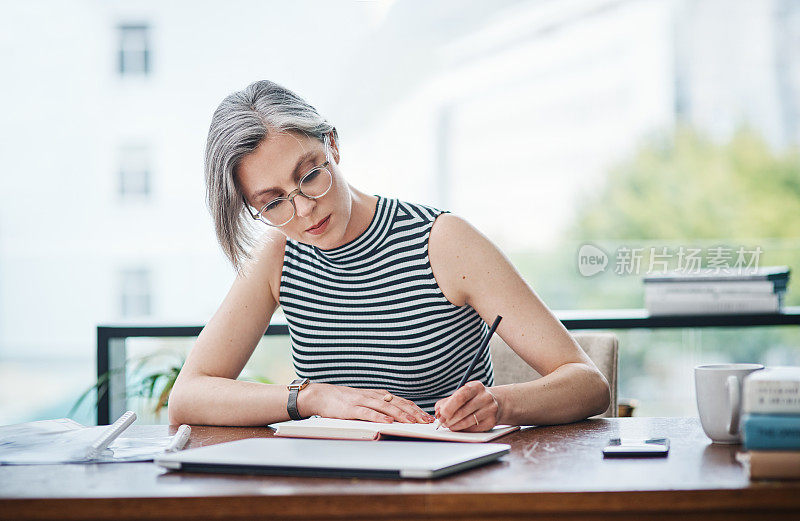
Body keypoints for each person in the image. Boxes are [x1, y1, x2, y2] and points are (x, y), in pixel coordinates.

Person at [168, 80, 610, 432]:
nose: (303, 209)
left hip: (447, 483)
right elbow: (187, 397)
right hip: (336, 487)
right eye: (273, 202)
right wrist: (310, 396)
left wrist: (500, 403)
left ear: (333, 145)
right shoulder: (281, 256)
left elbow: (588, 383)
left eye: (310, 175)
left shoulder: (443, 240)